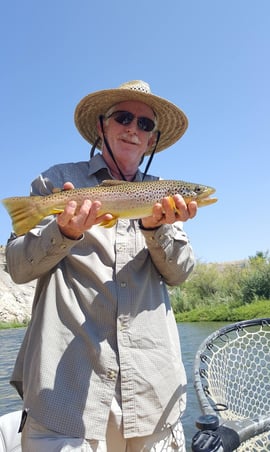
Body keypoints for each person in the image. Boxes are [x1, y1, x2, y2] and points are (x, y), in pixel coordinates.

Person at [6, 80, 197, 452]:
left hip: (153, 395)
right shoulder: (56, 183)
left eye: (145, 124)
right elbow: (17, 267)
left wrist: (156, 228)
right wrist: (62, 231)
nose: (133, 128)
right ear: (101, 127)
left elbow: (180, 274)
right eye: (123, 117)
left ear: (152, 139)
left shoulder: (165, 198)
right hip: (67, 395)